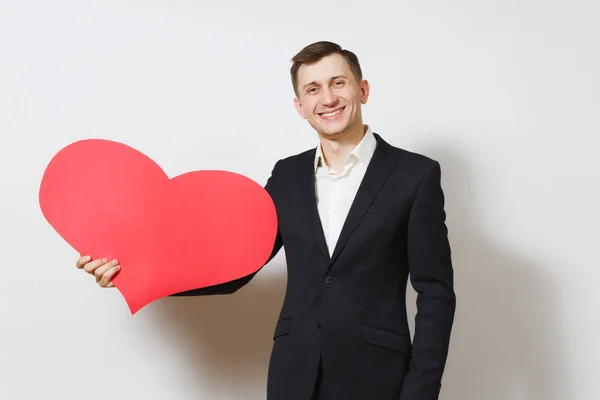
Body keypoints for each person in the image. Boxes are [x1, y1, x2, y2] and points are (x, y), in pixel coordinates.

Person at [75, 41, 456, 400]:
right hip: (294, 376)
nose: (327, 98)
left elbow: (435, 292)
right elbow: (237, 266)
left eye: (338, 83)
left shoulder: (414, 175)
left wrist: (420, 392)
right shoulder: (287, 177)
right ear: (300, 106)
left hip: (377, 379)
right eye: (312, 89)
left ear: (363, 90)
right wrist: (133, 273)